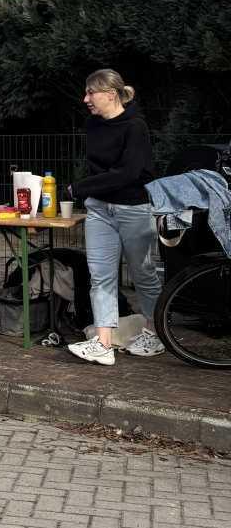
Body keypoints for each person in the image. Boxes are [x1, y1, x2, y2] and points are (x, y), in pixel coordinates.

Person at [68, 69, 165, 364]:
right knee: (101, 278)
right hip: (99, 209)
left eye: (91, 93)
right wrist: (89, 192)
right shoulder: (92, 125)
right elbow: (101, 170)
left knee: (144, 275)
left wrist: (80, 188)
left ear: (110, 95)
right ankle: (103, 343)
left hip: (133, 209)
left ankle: (154, 334)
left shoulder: (135, 127)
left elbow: (128, 173)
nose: (86, 99)